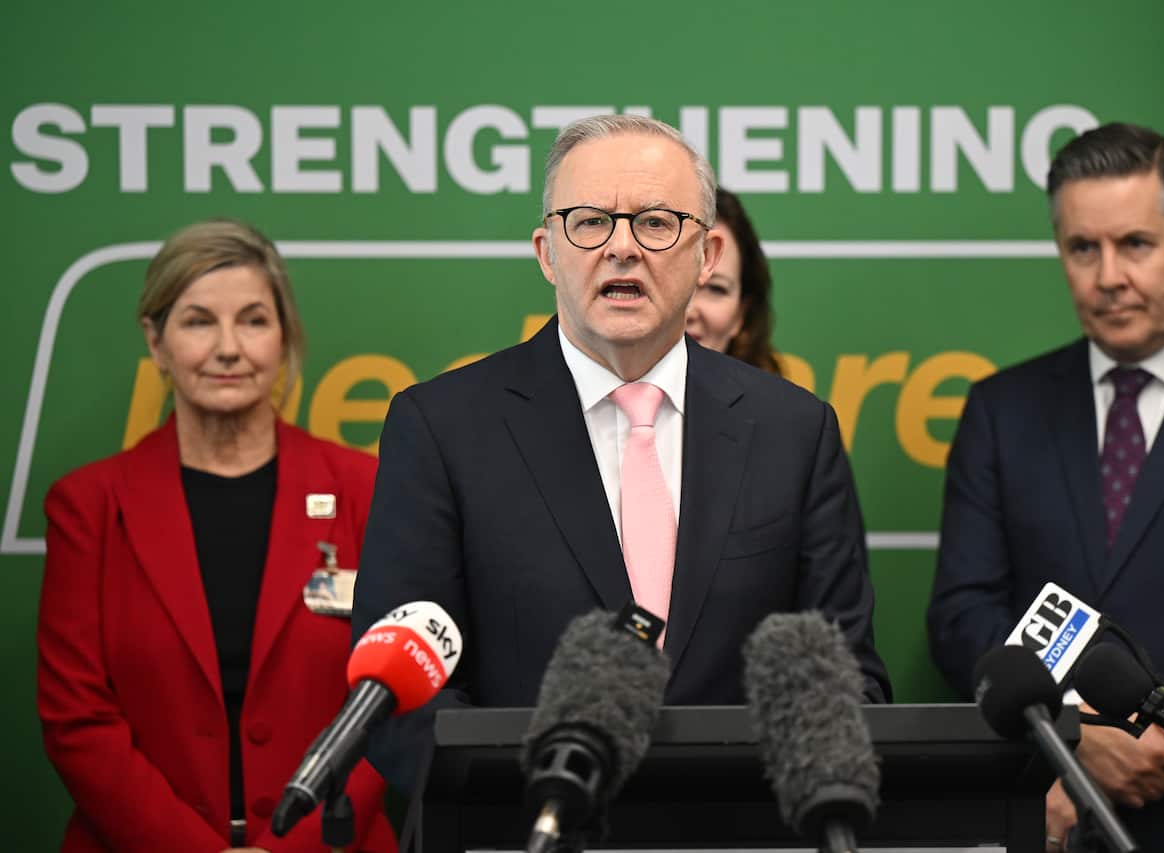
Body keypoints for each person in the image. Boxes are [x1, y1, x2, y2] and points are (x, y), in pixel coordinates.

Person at [352, 114, 891, 794]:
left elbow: (850, 682)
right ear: (547, 252)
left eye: (657, 223)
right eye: (590, 222)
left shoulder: (794, 431)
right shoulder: (441, 428)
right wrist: (544, 810)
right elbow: (402, 699)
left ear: (708, 256)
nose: (622, 248)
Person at [926, 123, 1164, 852]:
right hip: (1048, 807)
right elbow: (963, 612)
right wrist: (1074, 735)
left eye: (1135, 244)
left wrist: (1133, 729)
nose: (1108, 275)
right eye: (1083, 248)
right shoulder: (1002, 409)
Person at [37, 220, 397, 853]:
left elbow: (398, 698)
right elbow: (78, 722)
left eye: (254, 320)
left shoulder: (364, 489)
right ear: (156, 342)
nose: (228, 348)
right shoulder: (89, 507)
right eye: (199, 321)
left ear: (284, 339)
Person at [685, 186, 783, 374]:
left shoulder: (787, 403)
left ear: (741, 313)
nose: (689, 311)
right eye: (677, 282)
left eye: (716, 289)